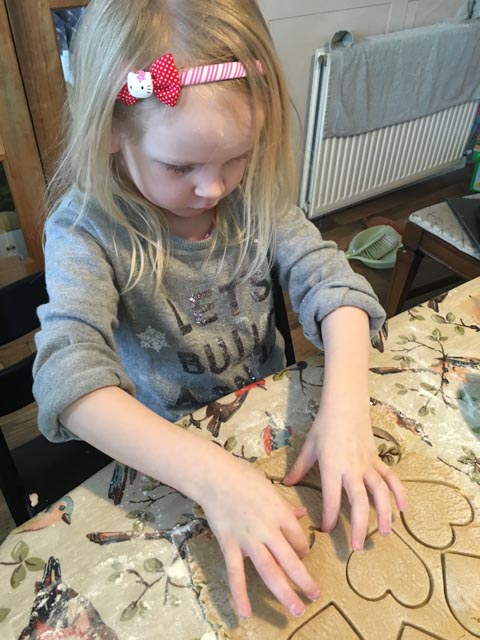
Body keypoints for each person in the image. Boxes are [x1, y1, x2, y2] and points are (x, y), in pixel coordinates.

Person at [33, 0, 407, 620]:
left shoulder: (253, 194)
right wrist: (213, 476)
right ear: (111, 131)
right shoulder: (85, 232)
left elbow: (332, 284)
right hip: (169, 461)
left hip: (265, 434)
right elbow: (68, 380)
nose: (214, 188)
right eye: (180, 166)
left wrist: (346, 412)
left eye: (237, 157)